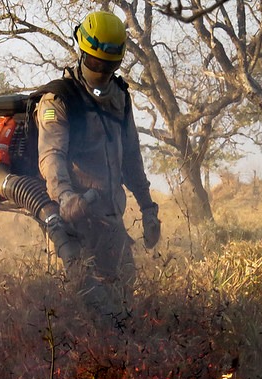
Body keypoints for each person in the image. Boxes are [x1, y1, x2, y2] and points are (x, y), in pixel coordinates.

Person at [35, 10, 161, 318]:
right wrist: (66, 197)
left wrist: (147, 208)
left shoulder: (119, 97)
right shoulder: (59, 99)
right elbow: (51, 156)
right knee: (84, 306)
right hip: (73, 220)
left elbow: (131, 156)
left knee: (124, 300)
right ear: (81, 52)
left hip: (111, 218)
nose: (101, 71)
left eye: (109, 65)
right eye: (95, 63)